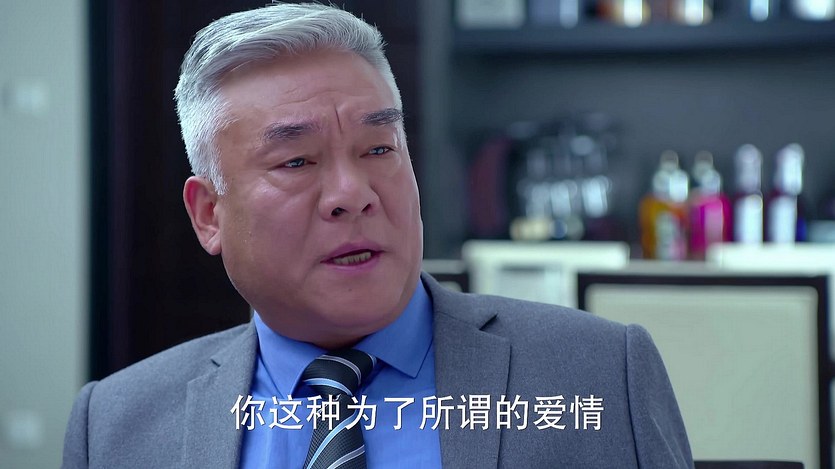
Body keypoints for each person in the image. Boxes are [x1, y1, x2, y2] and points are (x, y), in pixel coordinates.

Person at [62, 3, 693, 468]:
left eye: (378, 148)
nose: (352, 193)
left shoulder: (599, 374)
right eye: (296, 161)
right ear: (208, 215)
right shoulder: (116, 426)